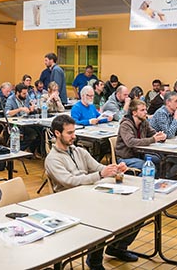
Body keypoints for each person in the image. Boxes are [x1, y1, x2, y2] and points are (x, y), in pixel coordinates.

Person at [44, 115, 134, 268]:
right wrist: (99, 175)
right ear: (57, 133)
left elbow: (98, 168)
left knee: (133, 211)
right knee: (102, 217)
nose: (74, 136)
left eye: (74, 132)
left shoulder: (79, 151)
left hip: (91, 194)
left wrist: (114, 169)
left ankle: (116, 247)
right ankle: (95, 261)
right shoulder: (53, 159)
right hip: (69, 202)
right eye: (70, 133)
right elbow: (69, 182)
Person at [116, 100, 166, 170]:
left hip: (139, 154)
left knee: (158, 160)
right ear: (134, 113)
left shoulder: (144, 122)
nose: (146, 112)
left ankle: (155, 180)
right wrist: (153, 139)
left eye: (145, 109)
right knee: (148, 167)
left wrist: (161, 136)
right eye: (142, 110)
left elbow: (153, 133)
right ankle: (143, 180)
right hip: (125, 158)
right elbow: (130, 142)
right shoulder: (125, 125)